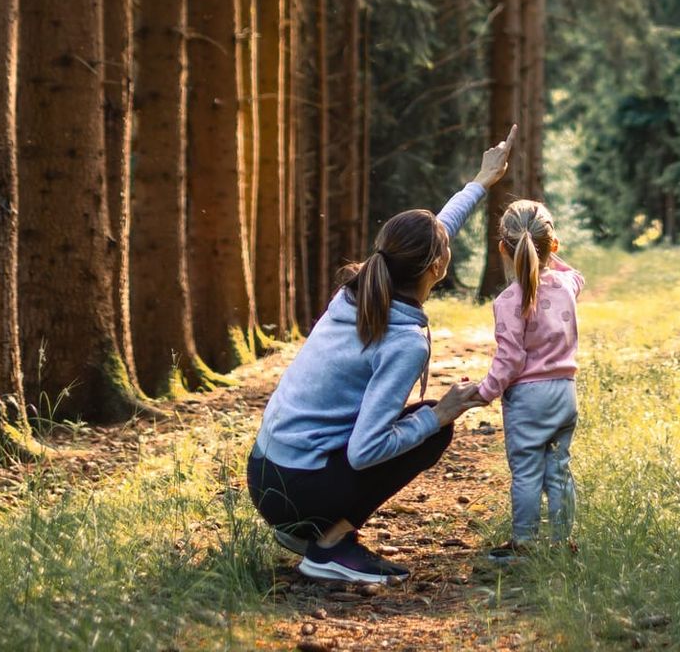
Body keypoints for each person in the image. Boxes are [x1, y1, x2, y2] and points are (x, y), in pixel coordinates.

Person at [245, 128, 515, 584]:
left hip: (267, 473)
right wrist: (442, 413)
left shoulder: (358, 289)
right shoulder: (403, 342)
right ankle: (327, 548)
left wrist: (480, 182)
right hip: (295, 489)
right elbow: (366, 450)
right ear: (436, 268)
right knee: (431, 429)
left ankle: (312, 529)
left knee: (423, 421)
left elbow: (435, 233)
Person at [472, 199, 584, 560]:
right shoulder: (567, 286)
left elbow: (510, 359)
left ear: (502, 248)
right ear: (553, 245)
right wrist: (551, 254)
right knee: (559, 468)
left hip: (528, 399)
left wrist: (485, 392)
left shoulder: (509, 301)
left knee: (526, 473)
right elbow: (575, 274)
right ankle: (563, 541)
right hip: (565, 394)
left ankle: (524, 543)